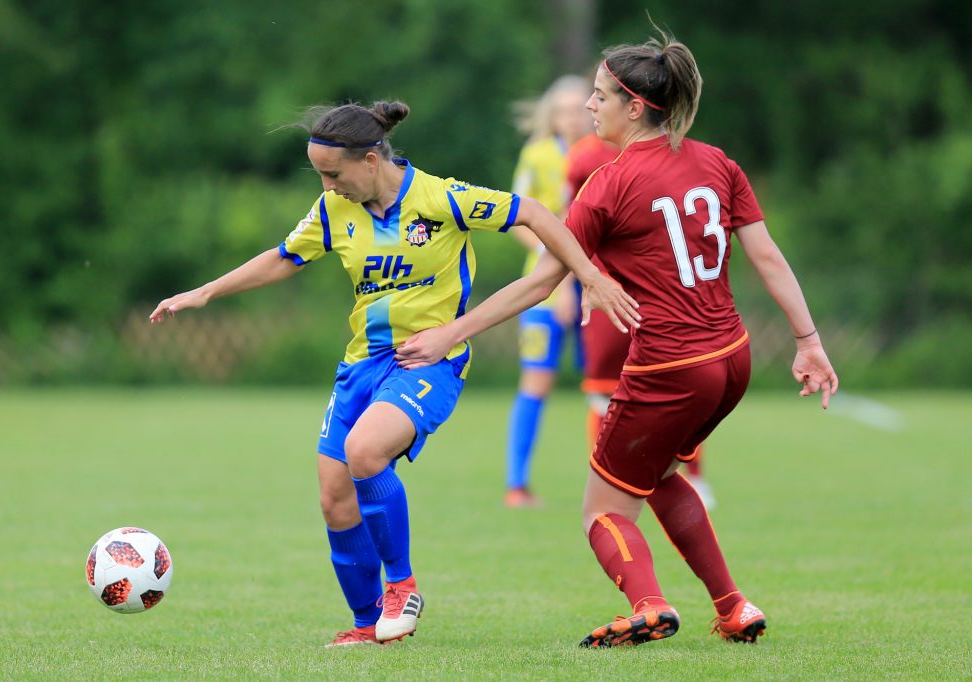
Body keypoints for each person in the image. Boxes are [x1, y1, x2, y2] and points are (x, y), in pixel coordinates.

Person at [396, 31, 838, 648]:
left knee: (601, 509)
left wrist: (454, 332)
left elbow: (542, 283)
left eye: (600, 96)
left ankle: (650, 605)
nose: (588, 107)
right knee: (655, 475)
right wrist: (808, 341)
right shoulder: (718, 163)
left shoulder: (608, 182)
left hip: (670, 365)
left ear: (635, 107)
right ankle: (733, 606)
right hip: (732, 358)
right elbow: (766, 257)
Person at [149, 101, 638, 648]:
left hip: (427, 361)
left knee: (365, 451)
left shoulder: (439, 197)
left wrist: (588, 276)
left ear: (372, 160)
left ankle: (401, 586)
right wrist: (205, 291)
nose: (328, 185)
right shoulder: (335, 209)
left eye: (334, 174)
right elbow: (285, 256)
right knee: (334, 497)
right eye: (320, 175)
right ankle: (366, 623)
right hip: (360, 364)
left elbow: (537, 214)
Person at [569, 133, 718, 511]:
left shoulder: (678, 155)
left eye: (600, 97)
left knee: (682, 385)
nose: (589, 107)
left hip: (663, 292)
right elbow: (565, 221)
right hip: (606, 287)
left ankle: (692, 476)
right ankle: (606, 478)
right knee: (604, 390)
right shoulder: (585, 158)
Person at [504, 75, 594, 508]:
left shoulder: (604, 154)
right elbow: (517, 216)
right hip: (542, 289)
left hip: (596, 288)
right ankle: (517, 484)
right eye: (564, 110)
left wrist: (579, 280)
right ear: (552, 115)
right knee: (536, 382)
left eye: (581, 108)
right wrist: (557, 269)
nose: (573, 117)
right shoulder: (537, 156)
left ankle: (618, 482)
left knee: (607, 387)